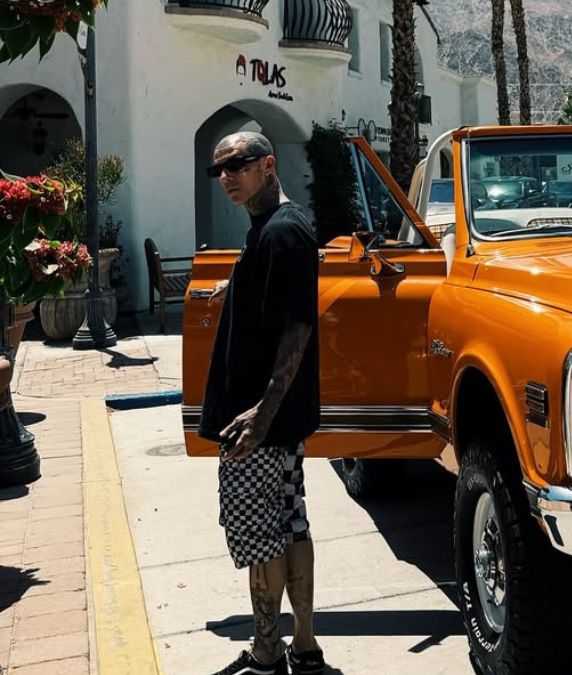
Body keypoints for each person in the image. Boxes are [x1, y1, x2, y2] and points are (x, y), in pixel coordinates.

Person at [198, 131, 324, 675]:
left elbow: (298, 328)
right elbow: (279, 307)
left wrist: (261, 414)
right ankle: (305, 645)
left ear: (268, 165)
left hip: (259, 422)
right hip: (275, 418)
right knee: (292, 523)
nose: (226, 176)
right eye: (218, 170)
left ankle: (268, 651)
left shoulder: (283, 234)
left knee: (258, 534)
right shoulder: (271, 230)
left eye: (238, 165)